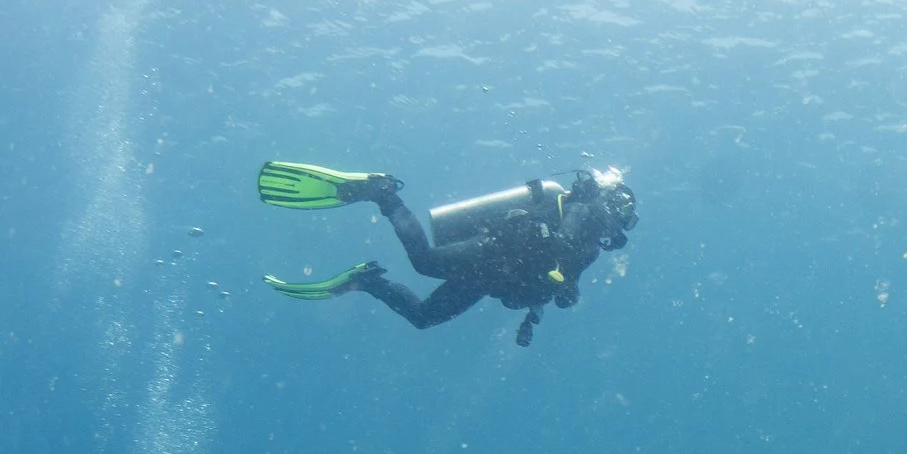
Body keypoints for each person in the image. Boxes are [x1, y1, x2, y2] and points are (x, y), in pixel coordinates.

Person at [256, 161, 638, 346]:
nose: (619, 226)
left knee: (424, 317)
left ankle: (367, 281)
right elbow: (559, 246)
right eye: (623, 215)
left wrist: (559, 296)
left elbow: (563, 275)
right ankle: (384, 194)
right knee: (424, 262)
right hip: (496, 252)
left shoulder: (591, 247)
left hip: (492, 277)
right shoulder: (583, 212)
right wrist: (559, 279)